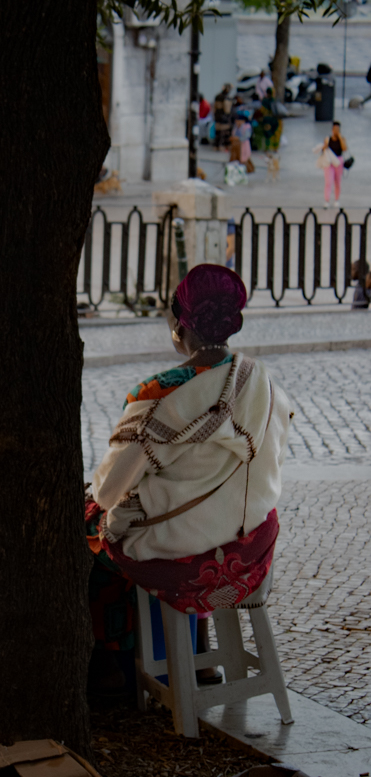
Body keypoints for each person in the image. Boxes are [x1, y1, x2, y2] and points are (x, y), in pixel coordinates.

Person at [86, 264, 292, 690]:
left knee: (93, 526)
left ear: (179, 323)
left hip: (184, 558)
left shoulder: (159, 393)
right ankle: (198, 659)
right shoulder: (264, 383)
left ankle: (115, 671)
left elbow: (109, 491)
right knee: (178, 521)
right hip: (250, 547)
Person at [320, 120, 347, 209]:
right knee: (328, 181)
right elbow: (323, 150)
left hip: (338, 161)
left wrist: (339, 137)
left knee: (337, 182)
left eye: (338, 129)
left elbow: (344, 149)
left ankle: (336, 199)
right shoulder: (328, 139)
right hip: (329, 162)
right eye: (335, 129)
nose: (336, 131)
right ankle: (327, 200)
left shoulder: (342, 139)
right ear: (332, 129)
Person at [213, 84, 233, 151]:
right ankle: (222, 146)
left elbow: (215, 108)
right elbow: (227, 110)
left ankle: (216, 146)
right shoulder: (226, 97)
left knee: (218, 133)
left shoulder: (217, 96)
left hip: (217, 117)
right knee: (224, 133)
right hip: (224, 118)